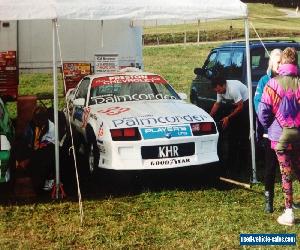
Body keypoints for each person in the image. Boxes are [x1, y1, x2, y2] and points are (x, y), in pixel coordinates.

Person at [258, 47, 300, 226]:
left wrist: (269, 125)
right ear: (296, 63)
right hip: (298, 136)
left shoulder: (271, 84)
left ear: (282, 62)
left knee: (285, 174)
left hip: (279, 136)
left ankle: (288, 212)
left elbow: (263, 112)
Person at [253, 49, 282, 213]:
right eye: (277, 62)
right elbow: (258, 105)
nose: (280, 65)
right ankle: (268, 200)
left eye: (282, 62)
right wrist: (269, 123)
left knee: (287, 169)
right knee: (270, 167)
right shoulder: (264, 81)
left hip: (286, 131)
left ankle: (288, 200)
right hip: (270, 131)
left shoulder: (288, 80)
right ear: (271, 63)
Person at [209, 76, 249, 178]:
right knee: (231, 135)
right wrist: (209, 117)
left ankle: (243, 165)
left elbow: (240, 106)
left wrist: (228, 118)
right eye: (216, 90)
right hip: (234, 104)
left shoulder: (233, 89)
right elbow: (217, 104)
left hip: (245, 105)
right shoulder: (220, 90)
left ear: (223, 85)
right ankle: (230, 163)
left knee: (241, 135)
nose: (218, 92)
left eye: (219, 89)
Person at [20, 106, 56, 193]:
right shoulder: (31, 125)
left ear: (44, 120)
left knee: (45, 158)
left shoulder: (51, 128)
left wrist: (28, 159)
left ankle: (49, 178)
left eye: (38, 120)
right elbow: (25, 139)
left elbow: (45, 146)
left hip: (46, 152)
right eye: (35, 119)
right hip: (34, 150)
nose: (35, 122)